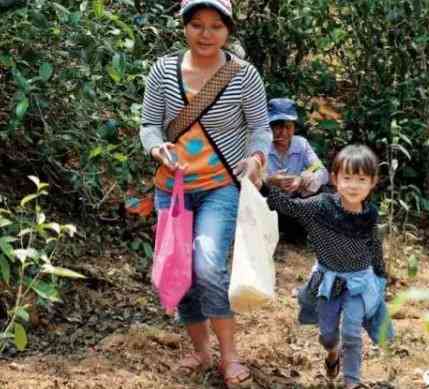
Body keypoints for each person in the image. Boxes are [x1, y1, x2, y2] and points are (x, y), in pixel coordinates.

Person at [139, 0, 271, 386]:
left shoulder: (243, 75)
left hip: (219, 187)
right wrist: (156, 147)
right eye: (197, 24)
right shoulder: (163, 72)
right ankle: (200, 352)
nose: (206, 34)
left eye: (216, 25)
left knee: (209, 265)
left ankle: (229, 358)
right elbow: (149, 124)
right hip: (173, 188)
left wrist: (257, 157)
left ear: (229, 29)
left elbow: (260, 127)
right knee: (181, 271)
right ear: (184, 27)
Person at [260, 145, 395, 388]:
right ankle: (333, 353)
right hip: (328, 281)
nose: (354, 185)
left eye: (362, 179)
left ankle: (351, 382)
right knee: (328, 335)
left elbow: (375, 246)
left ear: (373, 182)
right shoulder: (321, 206)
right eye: (347, 178)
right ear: (334, 179)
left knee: (353, 332)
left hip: (359, 283)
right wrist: (264, 185)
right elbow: (291, 207)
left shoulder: (370, 214)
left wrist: (380, 278)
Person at [266, 97, 329, 198]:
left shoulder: (301, 144)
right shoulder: (261, 146)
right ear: (269, 126)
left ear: (294, 127)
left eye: (288, 127)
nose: (283, 133)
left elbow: (321, 170)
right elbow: (248, 181)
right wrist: (269, 181)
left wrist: (302, 179)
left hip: (298, 204)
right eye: (278, 127)